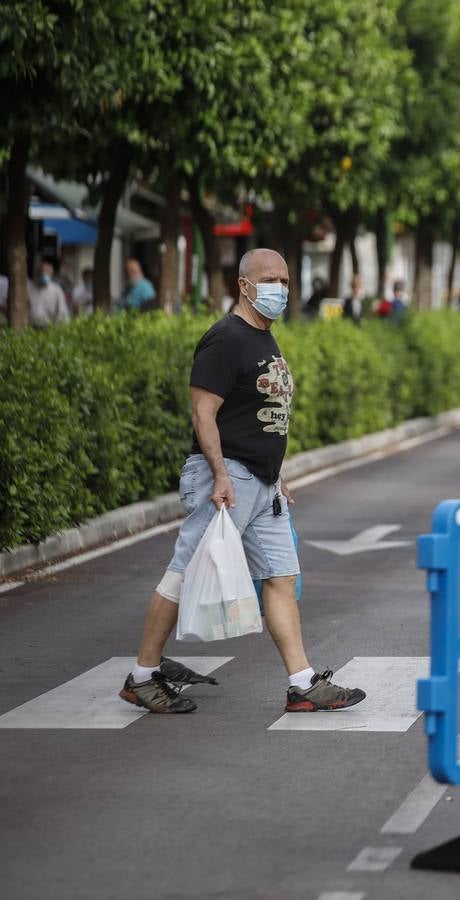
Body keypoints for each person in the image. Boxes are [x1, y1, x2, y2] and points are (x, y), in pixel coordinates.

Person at [118, 247, 366, 714]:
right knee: (185, 571)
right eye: (271, 279)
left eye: (286, 281)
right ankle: (143, 675)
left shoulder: (263, 338)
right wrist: (218, 475)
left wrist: (278, 474)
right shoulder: (225, 339)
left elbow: (261, 416)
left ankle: (302, 682)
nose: (281, 289)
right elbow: (203, 412)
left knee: (280, 577)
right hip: (227, 478)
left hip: (263, 484)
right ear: (244, 285)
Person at [29, 260, 71, 328]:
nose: (44, 274)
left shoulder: (56, 290)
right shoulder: (29, 289)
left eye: (47, 272)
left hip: (49, 326)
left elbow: (62, 311)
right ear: (37, 273)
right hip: (31, 326)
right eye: (41, 272)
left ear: (51, 274)